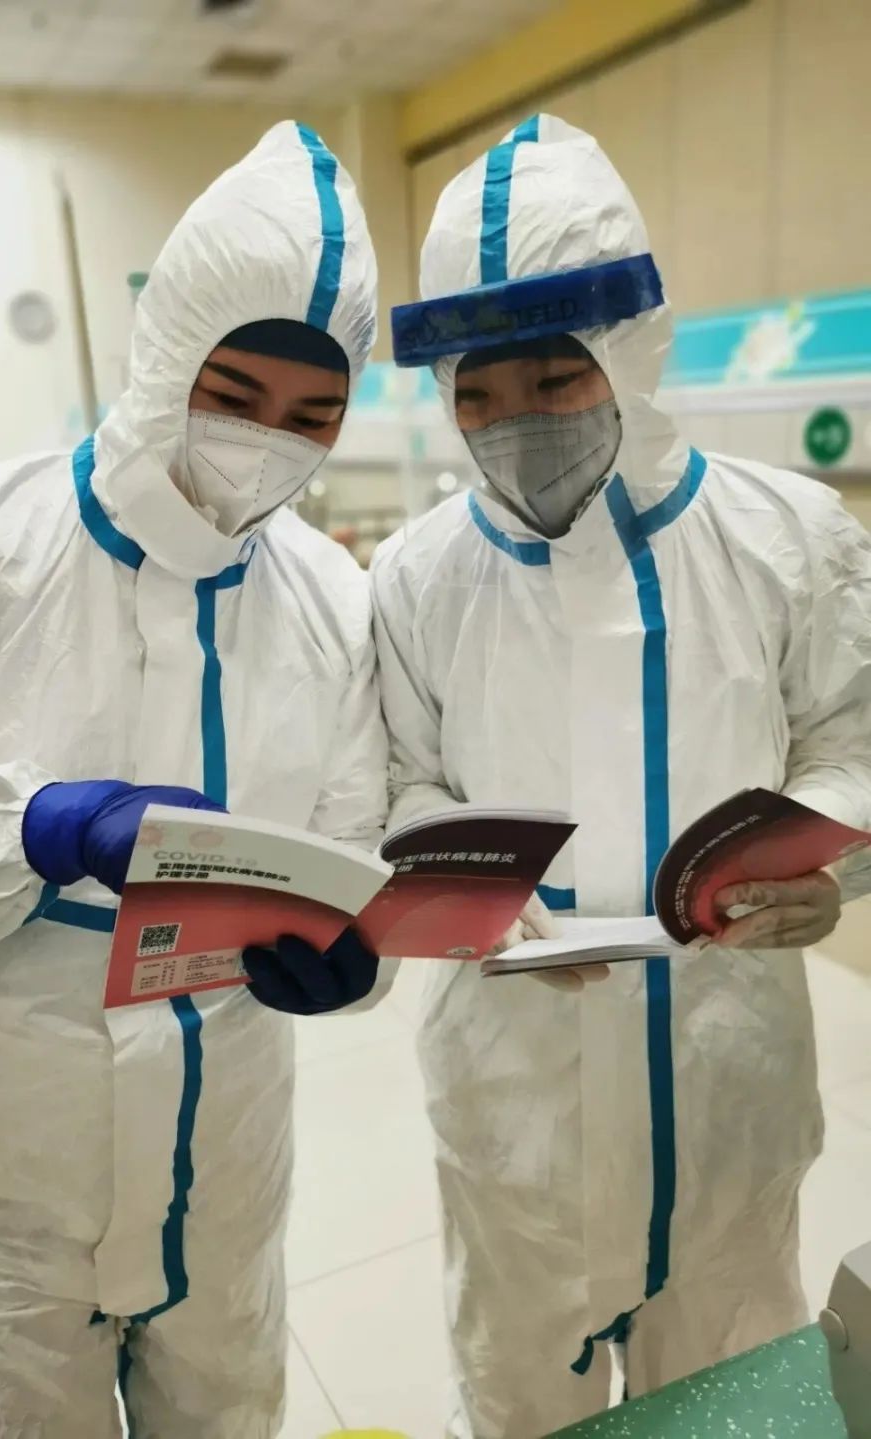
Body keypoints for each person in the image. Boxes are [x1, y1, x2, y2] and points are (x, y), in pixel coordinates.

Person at [0, 121, 388, 1438]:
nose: (267, 442)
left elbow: (357, 837)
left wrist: (358, 955)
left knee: (227, 1416)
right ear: (166, 351)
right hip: (9, 1167)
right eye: (234, 394)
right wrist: (38, 829)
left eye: (314, 417)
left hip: (227, 1158)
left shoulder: (333, 596)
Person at [372, 113, 871, 1438]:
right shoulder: (417, 575)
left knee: (722, 1394)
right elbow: (401, 783)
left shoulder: (787, 536)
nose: (515, 425)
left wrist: (829, 859)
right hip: (513, 1094)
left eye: (555, 380)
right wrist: (468, 892)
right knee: (522, 1401)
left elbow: (853, 738)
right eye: (476, 396)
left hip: (729, 1077)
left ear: (627, 353)